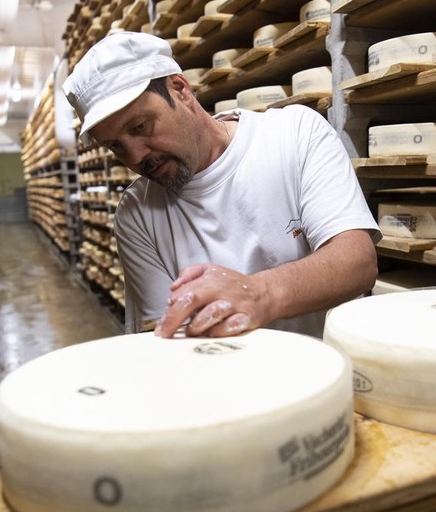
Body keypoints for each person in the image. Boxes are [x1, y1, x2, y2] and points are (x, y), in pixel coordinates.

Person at [63, 31, 380, 339]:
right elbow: (164, 337)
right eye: (116, 146)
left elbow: (357, 262)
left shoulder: (294, 135)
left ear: (180, 90)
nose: (135, 156)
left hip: (329, 381)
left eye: (140, 126)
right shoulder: (137, 213)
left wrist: (256, 293)